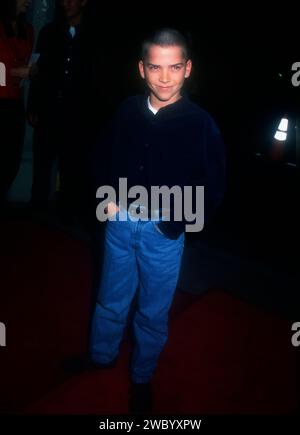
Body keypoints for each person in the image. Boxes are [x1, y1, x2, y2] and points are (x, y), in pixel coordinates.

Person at [89, 28, 226, 414]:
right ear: (141, 69)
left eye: (174, 67)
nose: (164, 77)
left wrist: (178, 222)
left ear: (188, 69)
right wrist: (108, 200)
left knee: (152, 311)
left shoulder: (200, 123)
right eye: (155, 67)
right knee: (110, 299)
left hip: (163, 232)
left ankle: (142, 376)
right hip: (119, 222)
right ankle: (100, 356)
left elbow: (214, 182)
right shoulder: (127, 110)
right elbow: (102, 155)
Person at [28, 0, 98, 225]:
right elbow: (36, 69)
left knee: (72, 165)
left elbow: (97, 77)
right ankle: (36, 213)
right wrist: (33, 105)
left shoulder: (93, 35)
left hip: (77, 115)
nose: (66, 3)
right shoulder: (49, 32)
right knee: (42, 164)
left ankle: (67, 215)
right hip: (49, 110)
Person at [0, 0, 34, 205]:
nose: (28, 1)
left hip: (15, 103)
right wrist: (15, 71)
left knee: (11, 161)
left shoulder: (28, 29)